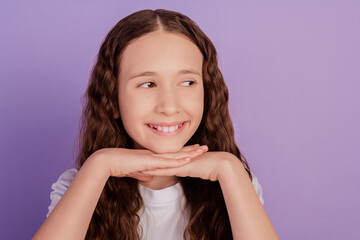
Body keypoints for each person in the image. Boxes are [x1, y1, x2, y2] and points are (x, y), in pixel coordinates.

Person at [33, 9, 279, 240]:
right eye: (148, 84)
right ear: (113, 101)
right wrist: (100, 165)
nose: (169, 106)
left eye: (187, 83)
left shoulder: (234, 183)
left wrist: (229, 168)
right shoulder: (81, 184)